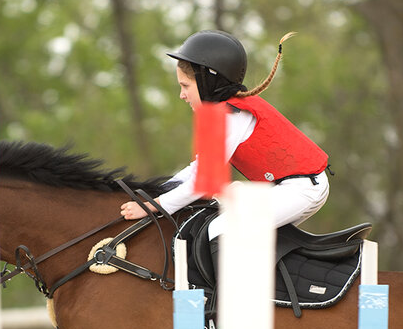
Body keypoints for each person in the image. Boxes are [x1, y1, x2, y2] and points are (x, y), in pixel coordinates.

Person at [119, 30, 330, 241]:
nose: (181, 95)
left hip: (302, 191)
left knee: (218, 231)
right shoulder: (222, 113)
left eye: (185, 86)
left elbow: (203, 182)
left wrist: (151, 207)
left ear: (207, 82)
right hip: (287, 188)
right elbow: (197, 169)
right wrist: (157, 191)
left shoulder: (231, 116)